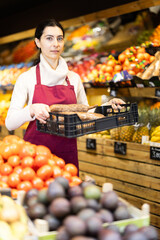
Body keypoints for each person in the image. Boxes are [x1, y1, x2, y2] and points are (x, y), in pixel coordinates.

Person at [5, 18, 125, 172]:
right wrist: (31, 110)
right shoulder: (27, 78)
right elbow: (10, 123)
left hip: (66, 155)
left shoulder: (74, 78)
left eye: (59, 38)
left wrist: (107, 107)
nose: (55, 43)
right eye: (49, 38)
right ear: (38, 42)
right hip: (34, 157)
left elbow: (85, 113)